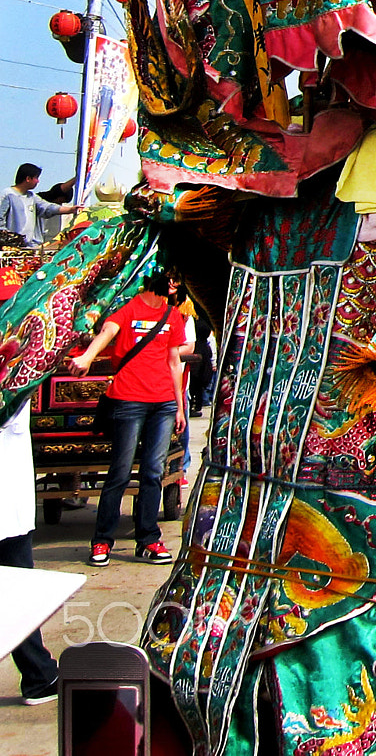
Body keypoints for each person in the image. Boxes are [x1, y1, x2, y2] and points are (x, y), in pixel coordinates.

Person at [68, 269, 191, 566]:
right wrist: (86, 357)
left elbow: (174, 362)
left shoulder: (173, 315)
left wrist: (179, 406)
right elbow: (106, 332)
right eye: (169, 277)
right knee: (120, 472)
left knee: (152, 472)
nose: (174, 283)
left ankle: (148, 539)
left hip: (162, 402)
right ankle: (102, 540)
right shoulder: (127, 306)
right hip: (128, 399)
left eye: (178, 278)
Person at [0, 398, 59, 704]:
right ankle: (39, 675)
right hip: (6, 505)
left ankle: (40, 673)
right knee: (17, 592)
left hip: (9, 505)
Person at [0, 163, 76, 247]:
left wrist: (70, 210)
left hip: (32, 246)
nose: (38, 181)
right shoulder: (7, 195)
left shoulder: (32, 197)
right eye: (36, 178)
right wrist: (8, 241)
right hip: (12, 247)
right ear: (28, 178)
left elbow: (47, 207)